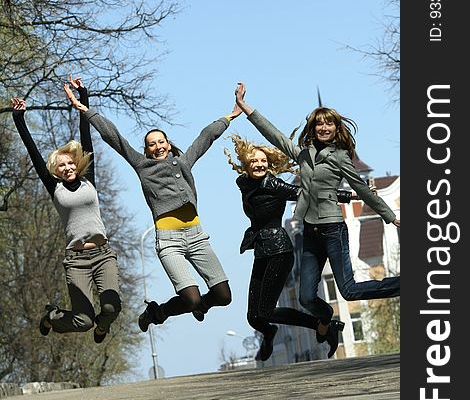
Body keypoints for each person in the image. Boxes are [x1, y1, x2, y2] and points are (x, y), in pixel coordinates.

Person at [234, 82, 400, 346]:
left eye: (329, 124)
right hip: (310, 233)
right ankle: (326, 319)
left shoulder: (342, 156)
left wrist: (390, 216)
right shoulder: (303, 154)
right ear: (312, 128)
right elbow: (274, 136)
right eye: (319, 124)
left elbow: (362, 189)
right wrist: (246, 108)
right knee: (307, 298)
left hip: (333, 229)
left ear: (336, 128)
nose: (323, 128)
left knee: (348, 290)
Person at [64, 84, 241, 331]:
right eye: (151, 144)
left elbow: (205, 137)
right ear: (146, 150)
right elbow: (113, 137)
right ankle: (157, 312)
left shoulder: (184, 161)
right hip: (169, 241)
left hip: (197, 236)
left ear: (168, 144)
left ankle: (201, 306)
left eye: (161, 142)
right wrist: (86, 110)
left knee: (223, 296)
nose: (157, 146)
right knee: (190, 298)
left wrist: (229, 116)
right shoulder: (142, 165)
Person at [11, 76, 122, 344]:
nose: (68, 168)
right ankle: (52, 317)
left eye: (70, 163)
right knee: (83, 320)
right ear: (55, 170)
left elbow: (86, 134)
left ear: (77, 163)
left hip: (103, 254)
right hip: (76, 260)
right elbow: (34, 152)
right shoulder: (54, 187)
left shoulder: (89, 178)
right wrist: (19, 119)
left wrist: (83, 96)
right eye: (61, 165)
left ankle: (102, 327)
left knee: (110, 308)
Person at [225, 134, 352, 361]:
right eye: (254, 160)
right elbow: (244, 183)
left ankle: (323, 324)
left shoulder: (272, 183)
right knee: (254, 317)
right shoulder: (244, 183)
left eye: (263, 161)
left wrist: (346, 195)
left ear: (269, 164)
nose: (259, 164)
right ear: (246, 162)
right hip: (262, 251)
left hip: (279, 251)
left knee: (266, 311)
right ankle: (271, 332)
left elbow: (309, 194)